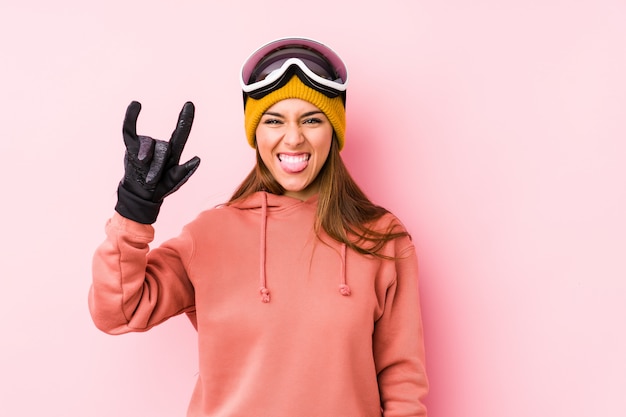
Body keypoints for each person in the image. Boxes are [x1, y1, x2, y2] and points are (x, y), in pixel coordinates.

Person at [89, 37, 429, 417]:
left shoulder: (380, 239)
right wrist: (134, 209)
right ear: (256, 133)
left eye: (312, 119)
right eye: (274, 120)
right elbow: (117, 312)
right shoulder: (210, 235)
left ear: (333, 130)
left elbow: (401, 383)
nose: (294, 137)